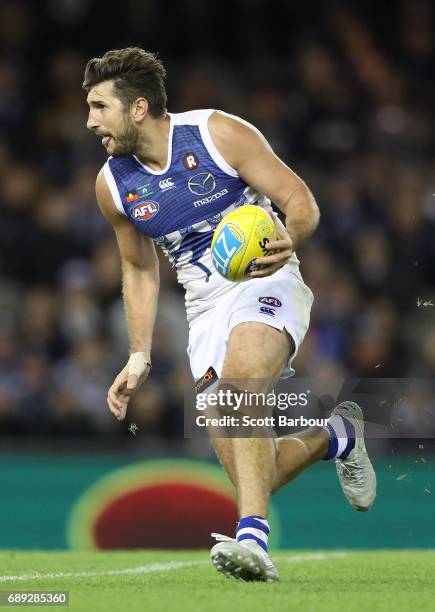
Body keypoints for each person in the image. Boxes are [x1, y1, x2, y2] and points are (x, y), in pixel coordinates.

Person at [83, 47, 376, 582]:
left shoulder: (218, 134)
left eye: (101, 106)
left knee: (243, 388)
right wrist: (139, 352)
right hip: (204, 308)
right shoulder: (112, 185)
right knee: (250, 468)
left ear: (139, 107)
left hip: (265, 278)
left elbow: (299, 198)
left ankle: (253, 543)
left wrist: (291, 238)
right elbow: (139, 269)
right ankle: (335, 436)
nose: (90, 121)